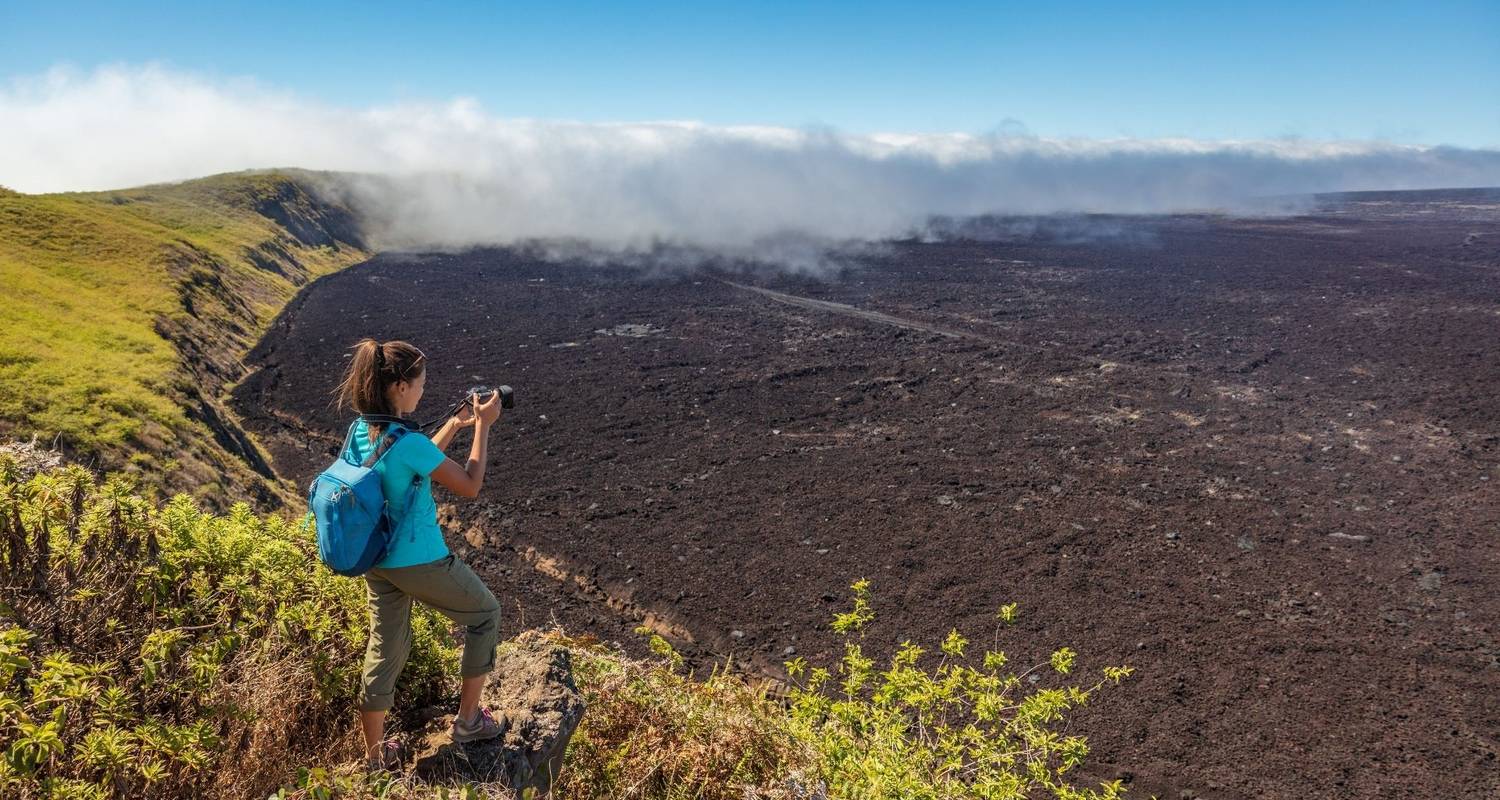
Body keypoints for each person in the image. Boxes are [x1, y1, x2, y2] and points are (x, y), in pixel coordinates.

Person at [332, 337, 506, 772]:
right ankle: (468, 721)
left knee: (384, 646)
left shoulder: (360, 430)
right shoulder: (407, 442)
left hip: (375, 560)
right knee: (485, 614)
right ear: (401, 387)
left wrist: (453, 425)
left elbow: (406, 460)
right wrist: (484, 426)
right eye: (422, 383)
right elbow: (468, 484)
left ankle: (374, 758)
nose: (425, 391)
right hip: (418, 560)